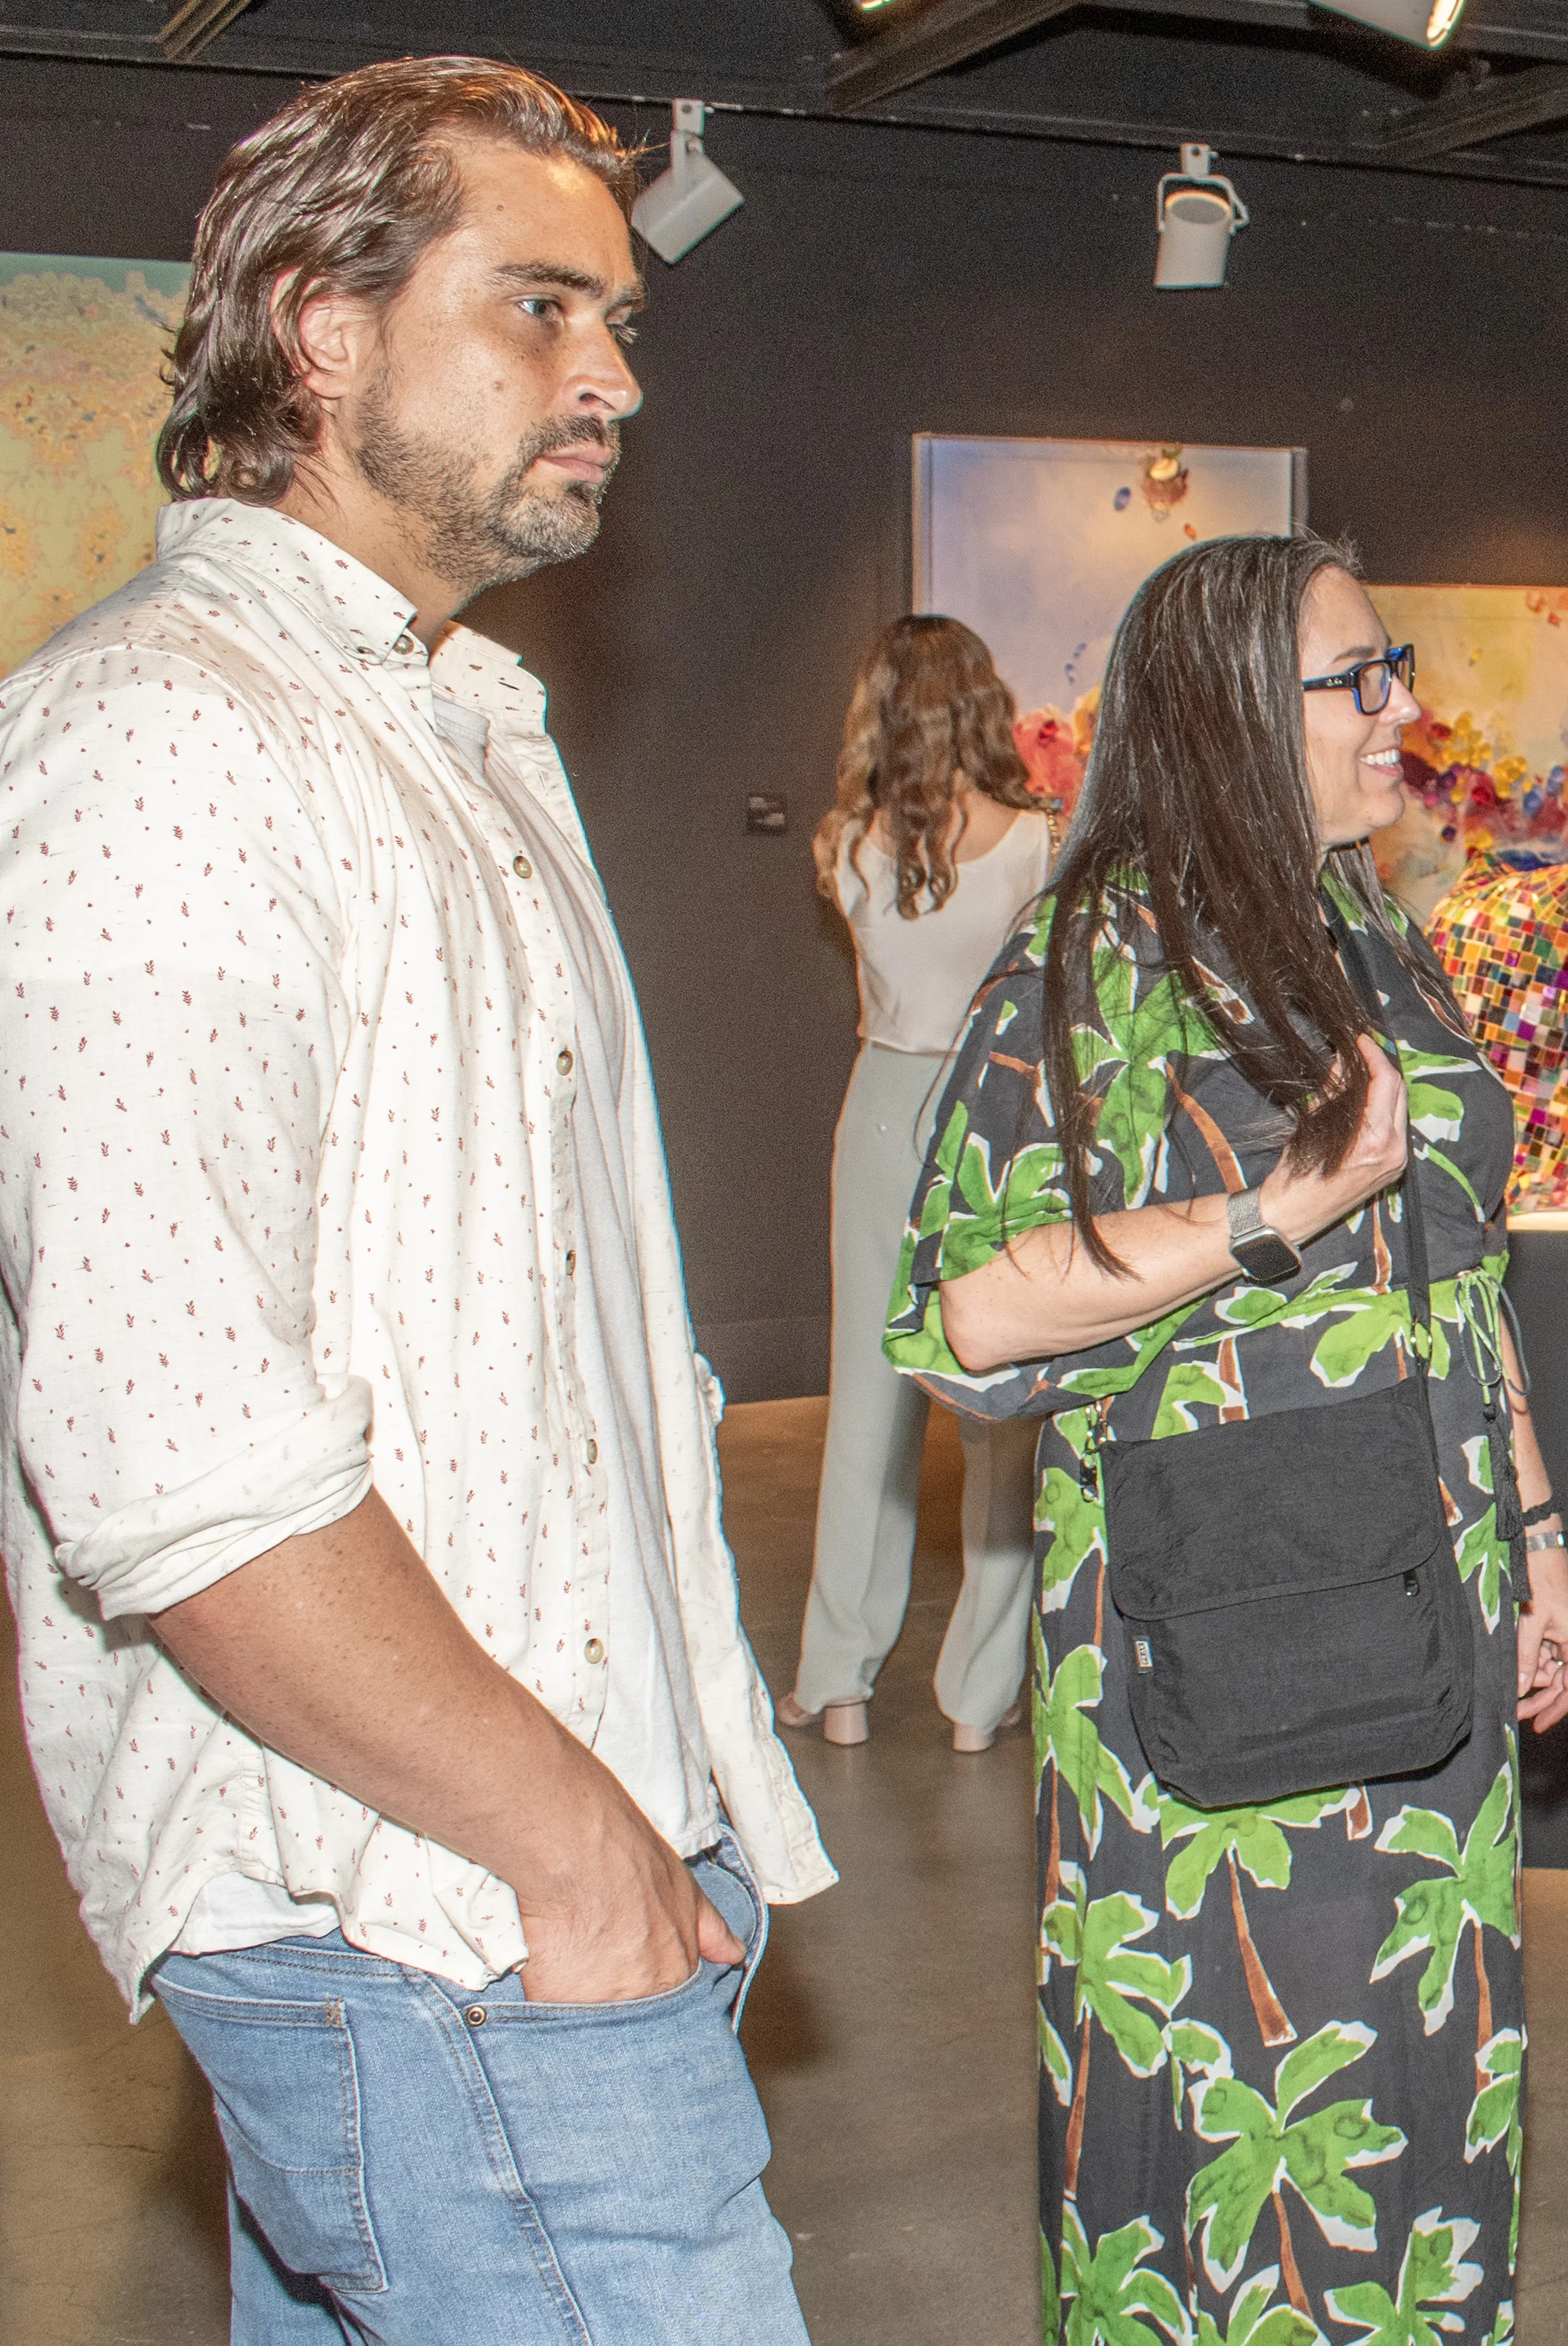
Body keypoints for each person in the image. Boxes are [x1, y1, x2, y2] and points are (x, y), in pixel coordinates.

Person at [0, 57, 835, 2343]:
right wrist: (567, 1843)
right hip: (434, 1920)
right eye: (543, 308)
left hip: (504, 1901)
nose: (614, 378)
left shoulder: (448, 727)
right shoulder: (172, 741)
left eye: (624, 323)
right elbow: (176, 1466)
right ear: (320, 329)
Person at [888, 530, 1568, 2343]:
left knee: (1424, 2083)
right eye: (1356, 679)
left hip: (1422, 1608)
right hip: (1228, 1635)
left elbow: (1453, 1259)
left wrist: (1541, 1538)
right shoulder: (1109, 942)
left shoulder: (1359, 915)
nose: (1401, 708)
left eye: (1394, 664)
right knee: (1236, 2098)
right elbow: (971, 1306)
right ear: (1226, 713)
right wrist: (1265, 1212)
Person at [781, 613, 1052, 1752]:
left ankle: (837, 1683)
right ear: (984, 701)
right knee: (1000, 1411)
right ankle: (979, 1702)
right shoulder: (1041, 843)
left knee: (868, 1404)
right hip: (990, 1119)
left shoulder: (842, 839)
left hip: (884, 1109)